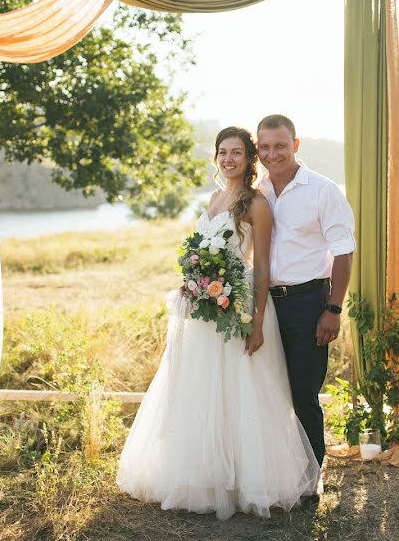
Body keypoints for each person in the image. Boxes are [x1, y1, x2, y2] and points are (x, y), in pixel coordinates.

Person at [117, 126, 319, 520]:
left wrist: (257, 322)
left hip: (240, 306)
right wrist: (194, 281)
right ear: (216, 158)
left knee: (242, 390)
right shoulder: (213, 198)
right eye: (223, 152)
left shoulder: (256, 203)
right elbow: (202, 251)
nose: (229, 159)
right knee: (205, 390)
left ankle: (247, 480)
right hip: (207, 309)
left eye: (237, 153)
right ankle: (207, 477)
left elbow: (261, 267)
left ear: (249, 159)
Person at [255, 114, 355, 488]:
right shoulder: (258, 190)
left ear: (296, 145)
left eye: (280, 145)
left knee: (303, 393)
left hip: (308, 302)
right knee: (265, 389)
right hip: (264, 305)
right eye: (264, 147)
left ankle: (311, 479)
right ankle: (276, 474)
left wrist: (333, 309)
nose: (272, 154)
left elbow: (344, 252)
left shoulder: (323, 190)